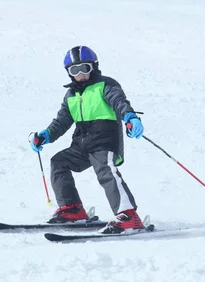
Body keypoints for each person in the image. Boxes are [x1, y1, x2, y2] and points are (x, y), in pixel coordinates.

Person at [29, 45, 145, 234]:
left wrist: (130, 117)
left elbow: (119, 102)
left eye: (85, 68)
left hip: (104, 141)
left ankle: (128, 214)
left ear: (94, 67)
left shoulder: (106, 85)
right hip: (81, 144)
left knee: (105, 171)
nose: (81, 74)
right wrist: (46, 135)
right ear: (69, 73)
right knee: (58, 162)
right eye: (75, 70)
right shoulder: (71, 95)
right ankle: (72, 209)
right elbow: (62, 121)